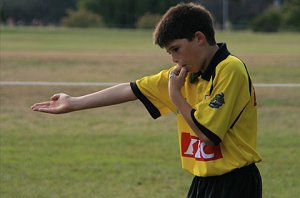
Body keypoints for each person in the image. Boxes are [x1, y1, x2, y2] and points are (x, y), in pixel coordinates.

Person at [31, 2, 262, 198]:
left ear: (199, 38)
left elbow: (209, 135)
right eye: (169, 53)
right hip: (202, 180)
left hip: (236, 182)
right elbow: (131, 89)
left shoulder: (230, 69)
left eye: (176, 49)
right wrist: (74, 103)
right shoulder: (185, 75)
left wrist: (175, 96)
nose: (174, 59)